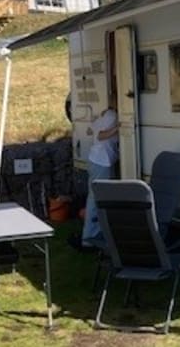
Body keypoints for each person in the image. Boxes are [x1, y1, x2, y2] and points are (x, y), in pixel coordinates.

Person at [75, 102, 119, 248]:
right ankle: (89, 237)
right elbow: (100, 135)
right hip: (101, 161)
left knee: (97, 197)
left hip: (99, 160)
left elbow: (91, 129)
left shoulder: (107, 114)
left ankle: (96, 233)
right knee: (96, 198)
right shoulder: (112, 115)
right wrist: (119, 127)